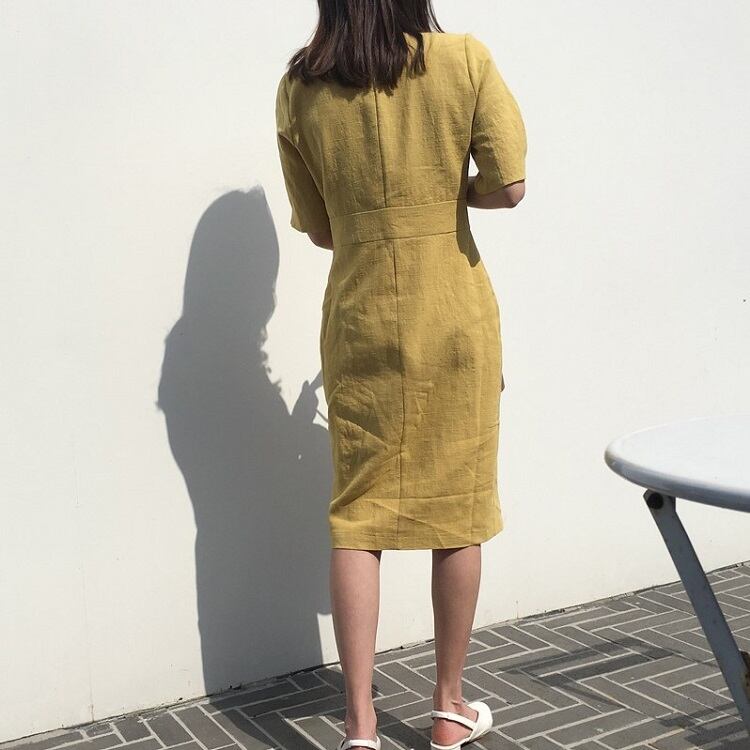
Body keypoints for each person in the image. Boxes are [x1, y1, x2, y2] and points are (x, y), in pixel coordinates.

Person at [275, 2, 527, 749]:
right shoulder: (464, 60)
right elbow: (509, 185)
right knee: (460, 510)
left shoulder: (301, 86)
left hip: (359, 320)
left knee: (358, 518)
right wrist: (450, 194)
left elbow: (320, 228)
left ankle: (360, 728)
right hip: (452, 312)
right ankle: (448, 709)